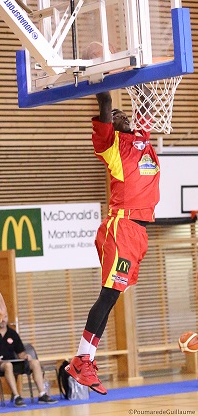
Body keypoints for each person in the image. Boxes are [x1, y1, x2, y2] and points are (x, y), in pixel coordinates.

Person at [65, 88, 160, 395]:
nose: (120, 114)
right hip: (121, 227)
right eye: (115, 116)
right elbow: (105, 101)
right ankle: (81, 361)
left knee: (112, 298)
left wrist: (146, 75)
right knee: (107, 296)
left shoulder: (142, 139)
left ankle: (84, 360)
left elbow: (146, 100)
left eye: (123, 113)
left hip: (139, 232)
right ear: (111, 125)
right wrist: (100, 80)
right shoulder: (111, 146)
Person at [0, 312, 58, 407]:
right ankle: (17, 396)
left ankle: (42, 394)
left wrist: (25, 356)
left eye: (5, 317)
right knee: (8, 365)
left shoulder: (12, 334)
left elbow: (20, 352)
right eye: (1, 317)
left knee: (35, 362)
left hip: (14, 362)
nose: (3, 320)